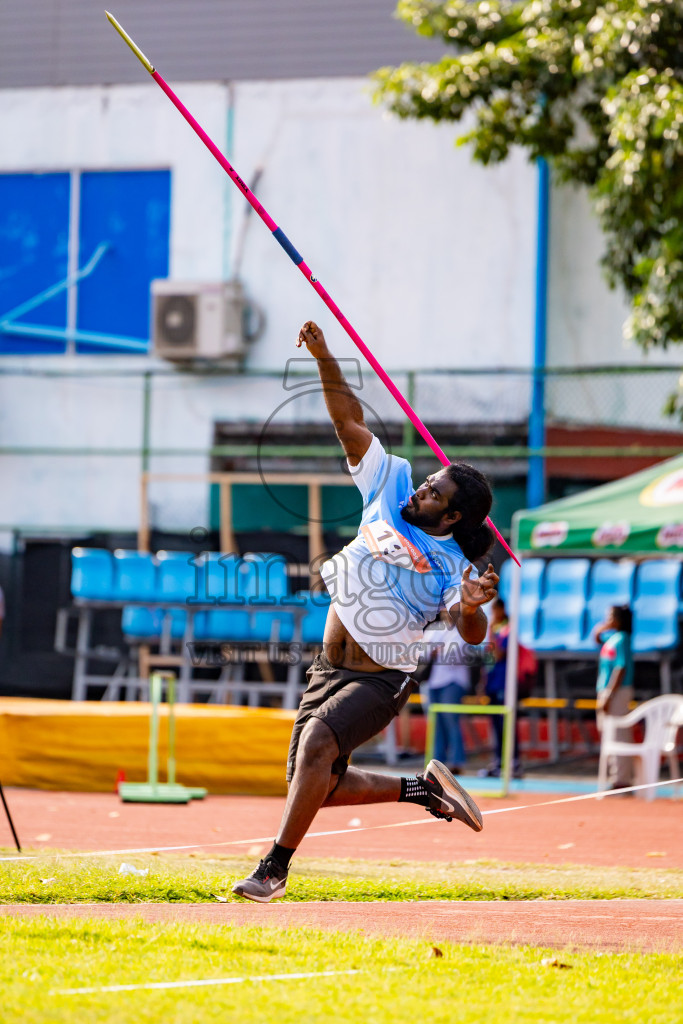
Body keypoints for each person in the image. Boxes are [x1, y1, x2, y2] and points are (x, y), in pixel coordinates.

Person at [233, 321, 498, 903]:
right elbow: (346, 421)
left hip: (382, 679)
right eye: (428, 483)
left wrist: (478, 608)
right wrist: (325, 353)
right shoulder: (390, 482)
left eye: (434, 495)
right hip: (328, 669)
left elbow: (473, 634)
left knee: (318, 747)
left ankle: (274, 868)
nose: (421, 491)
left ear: (451, 519)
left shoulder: (454, 564)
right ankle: (422, 790)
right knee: (318, 784)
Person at [478, 598, 530, 778]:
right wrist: (482, 683)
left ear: (501, 610)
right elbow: (488, 659)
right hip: (492, 683)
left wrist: (490, 632)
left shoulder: (508, 630)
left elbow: (498, 654)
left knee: (507, 724)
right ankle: (499, 761)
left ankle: (514, 762)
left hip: (505, 684)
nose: (492, 615)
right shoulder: (496, 630)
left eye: (494, 611)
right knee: (496, 726)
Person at [425, 614, 475, 773]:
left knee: (451, 721)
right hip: (432, 681)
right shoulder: (435, 629)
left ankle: (456, 761)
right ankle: (437, 763)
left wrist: (435, 650)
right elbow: (420, 652)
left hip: (453, 681)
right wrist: (435, 651)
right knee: (435, 724)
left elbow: (455, 655)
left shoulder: (463, 630)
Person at [594, 604, 634, 790]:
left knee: (618, 734)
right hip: (606, 690)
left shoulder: (623, 638)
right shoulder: (612, 637)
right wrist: (601, 628)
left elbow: (621, 667)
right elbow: (596, 639)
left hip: (617, 691)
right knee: (607, 733)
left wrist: (609, 694)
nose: (607, 618)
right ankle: (613, 776)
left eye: (610, 615)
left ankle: (622, 779)